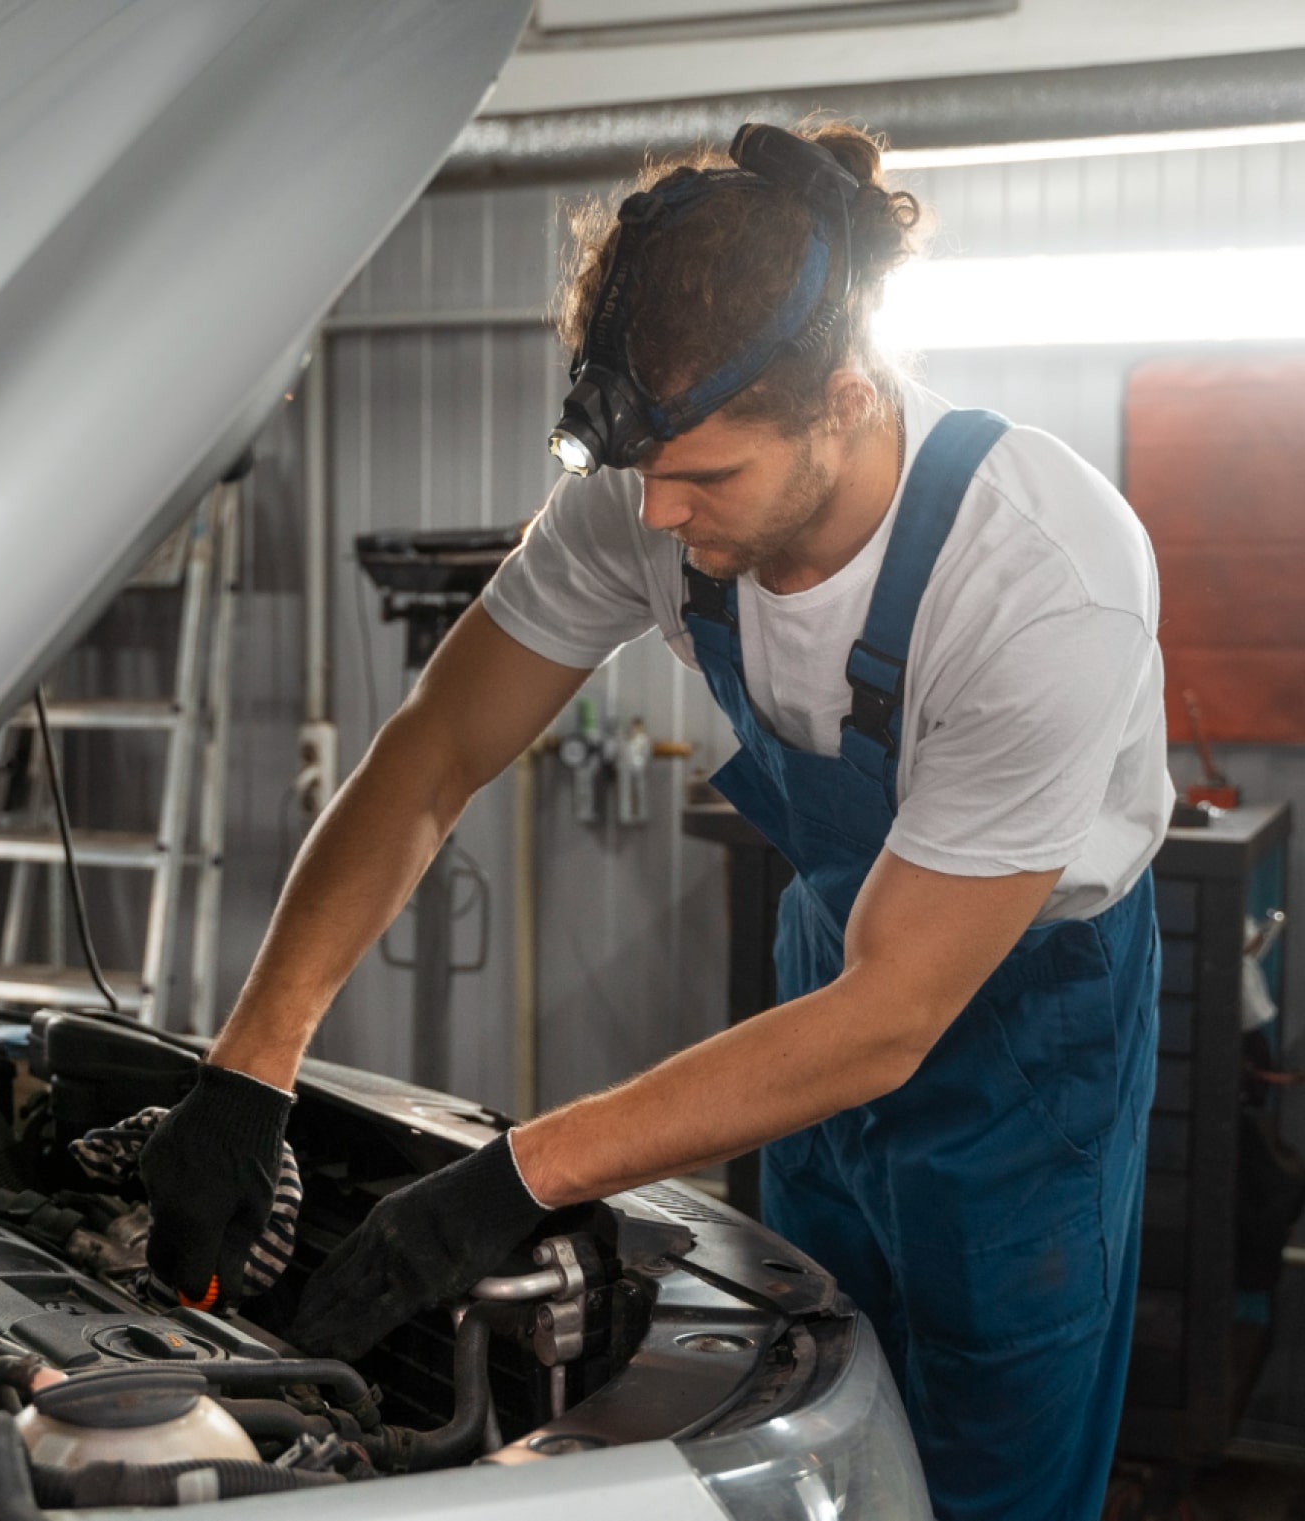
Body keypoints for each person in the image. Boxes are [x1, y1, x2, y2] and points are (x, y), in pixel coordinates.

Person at [139, 121, 1172, 1520]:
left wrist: (508, 1177)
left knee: (993, 1437)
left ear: (849, 401)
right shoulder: (641, 496)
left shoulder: (1044, 575)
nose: (664, 519)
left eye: (708, 483)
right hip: (834, 956)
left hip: (1024, 1022)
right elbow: (437, 749)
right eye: (646, 477)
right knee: (817, 1391)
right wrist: (251, 1065)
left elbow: (891, 1018)